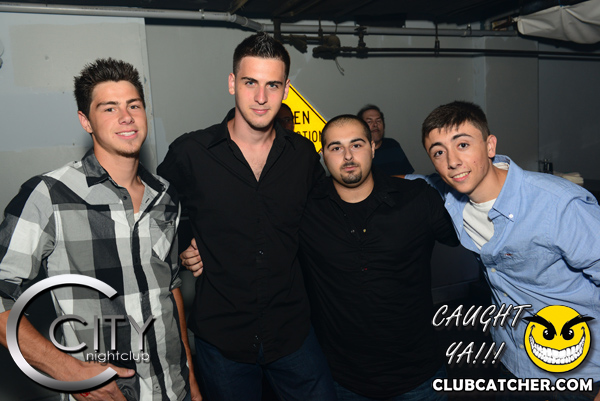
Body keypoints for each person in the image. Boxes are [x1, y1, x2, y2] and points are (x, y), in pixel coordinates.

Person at [0, 58, 199, 401]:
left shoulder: (165, 195)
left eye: (133, 105)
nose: (126, 116)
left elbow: (170, 288)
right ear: (85, 121)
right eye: (109, 108)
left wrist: (190, 377)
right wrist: (70, 373)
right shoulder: (50, 195)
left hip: (172, 388)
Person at [157, 33, 335, 401]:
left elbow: (327, 218)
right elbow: (155, 215)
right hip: (223, 338)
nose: (261, 97)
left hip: (292, 332)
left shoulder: (302, 155)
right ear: (232, 83)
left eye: (272, 85)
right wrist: (183, 245)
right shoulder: (192, 152)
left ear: (286, 90)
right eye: (250, 82)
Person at [416, 100, 600, 400]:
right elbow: (406, 182)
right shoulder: (448, 197)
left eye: (463, 144)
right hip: (515, 362)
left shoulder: (558, 205)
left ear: (490, 146)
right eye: (438, 152)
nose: (452, 161)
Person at [298, 114, 458, 400]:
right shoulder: (305, 210)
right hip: (343, 381)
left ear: (373, 148)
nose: (347, 156)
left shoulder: (416, 199)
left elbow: (477, 236)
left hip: (420, 377)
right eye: (336, 147)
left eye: (356, 145)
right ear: (323, 155)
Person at [357, 104, 414, 176]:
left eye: (378, 121)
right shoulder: (357, 152)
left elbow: (407, 176)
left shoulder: (392, 145)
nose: (375, 125)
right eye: (369, 121)